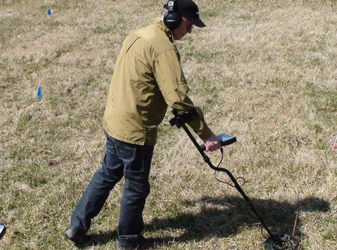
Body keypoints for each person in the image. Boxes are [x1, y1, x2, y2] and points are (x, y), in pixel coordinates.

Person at [65, 0, 221, 248]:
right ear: (173, 20)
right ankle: (129, 240)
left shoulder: (140, 34)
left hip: (115, 122)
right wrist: (207, 134)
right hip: (134, 131)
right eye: (189, 25)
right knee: (136, 187)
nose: (190, 32)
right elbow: (178, 98)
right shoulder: (163, 48)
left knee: (107, 174)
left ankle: (77, 226)